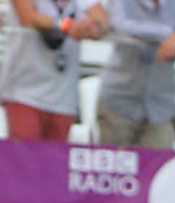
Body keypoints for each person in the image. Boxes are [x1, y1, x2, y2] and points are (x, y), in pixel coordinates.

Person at [98, 0, 175, 148]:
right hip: (118, 101)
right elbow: (119, 25)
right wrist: (169, 35)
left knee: (160, 160)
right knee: (114, 159)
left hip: (161, 106)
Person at [0, 0, 107, 141]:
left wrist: (92, 28)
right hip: (24, 91)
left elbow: (102, 21)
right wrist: (67, 25)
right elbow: (27, 16)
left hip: (63, 95)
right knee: (25, 150)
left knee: (55, 152)